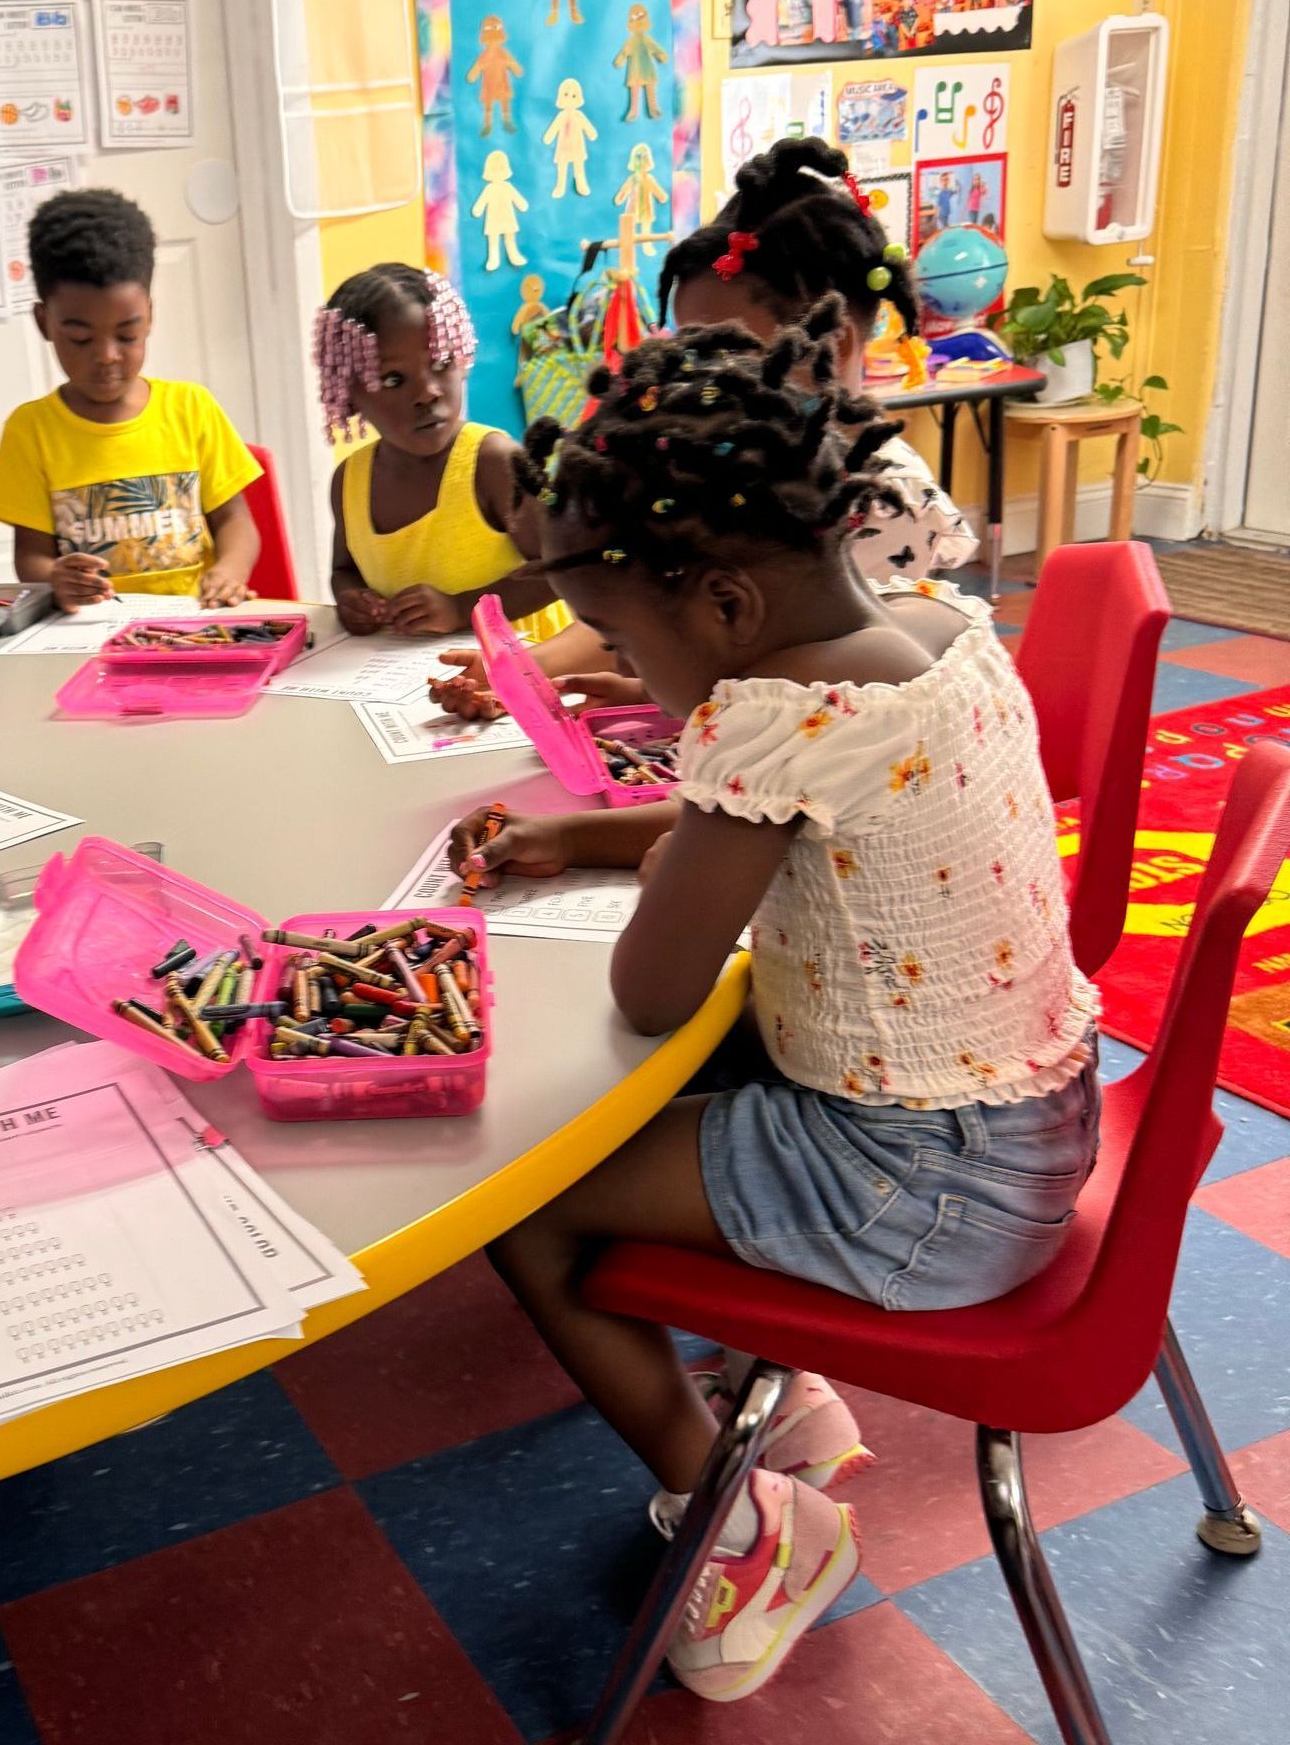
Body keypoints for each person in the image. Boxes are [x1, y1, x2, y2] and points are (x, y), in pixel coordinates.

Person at [448, 310, 1100, 1703]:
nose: (638, 679)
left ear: (726, 611)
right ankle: (780, 1397)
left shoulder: (777, 714)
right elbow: (799, 829)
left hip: (921, 1191)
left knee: (523, 1196)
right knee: (702, 1075)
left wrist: (669, 831)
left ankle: (747, 1528)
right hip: (1032, 1124)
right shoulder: (941, 628)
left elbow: (649, 985)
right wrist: (594, 838)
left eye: (624, 636)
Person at [432, 137, 975, 715]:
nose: (697, 373)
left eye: (727, 349)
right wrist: (527, 669)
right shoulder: (726, 463)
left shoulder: (885, 508)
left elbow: (791, 696)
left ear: (833, 345)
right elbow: (653, 601)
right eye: (689, 346)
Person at [0, 189, 262, 612]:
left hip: (193, 625)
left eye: (127, 335)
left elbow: (236, 522)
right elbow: (31, 556)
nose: (107, 356)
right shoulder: (31, 430)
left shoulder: (191, 408)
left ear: (149, 315)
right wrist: (55, 578)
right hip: (92, 633)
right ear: (44, 322)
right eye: (80, 338)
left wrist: (229, 571)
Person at [316, 264, 567, 642]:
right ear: (349, 394)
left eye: (442, 364)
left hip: (523, 670)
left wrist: (462, 608)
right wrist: (353, 600)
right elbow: (344, 570)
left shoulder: (491, 462)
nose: (428, 393)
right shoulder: (349, 482)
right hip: (412, 681)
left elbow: (559, 568)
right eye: (393, 379)